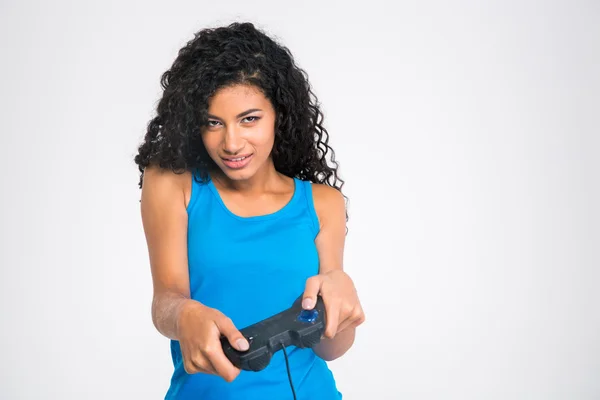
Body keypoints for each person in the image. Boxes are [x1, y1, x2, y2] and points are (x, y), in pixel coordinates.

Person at [134, 21, 365, 400]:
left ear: (280, 114)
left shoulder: (322, 203)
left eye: (250, 119)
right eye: (213, 123)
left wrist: (342, 296)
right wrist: (183, 314)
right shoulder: (172, 184)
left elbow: (330, 348)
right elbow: (166, 301)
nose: (231, 143)